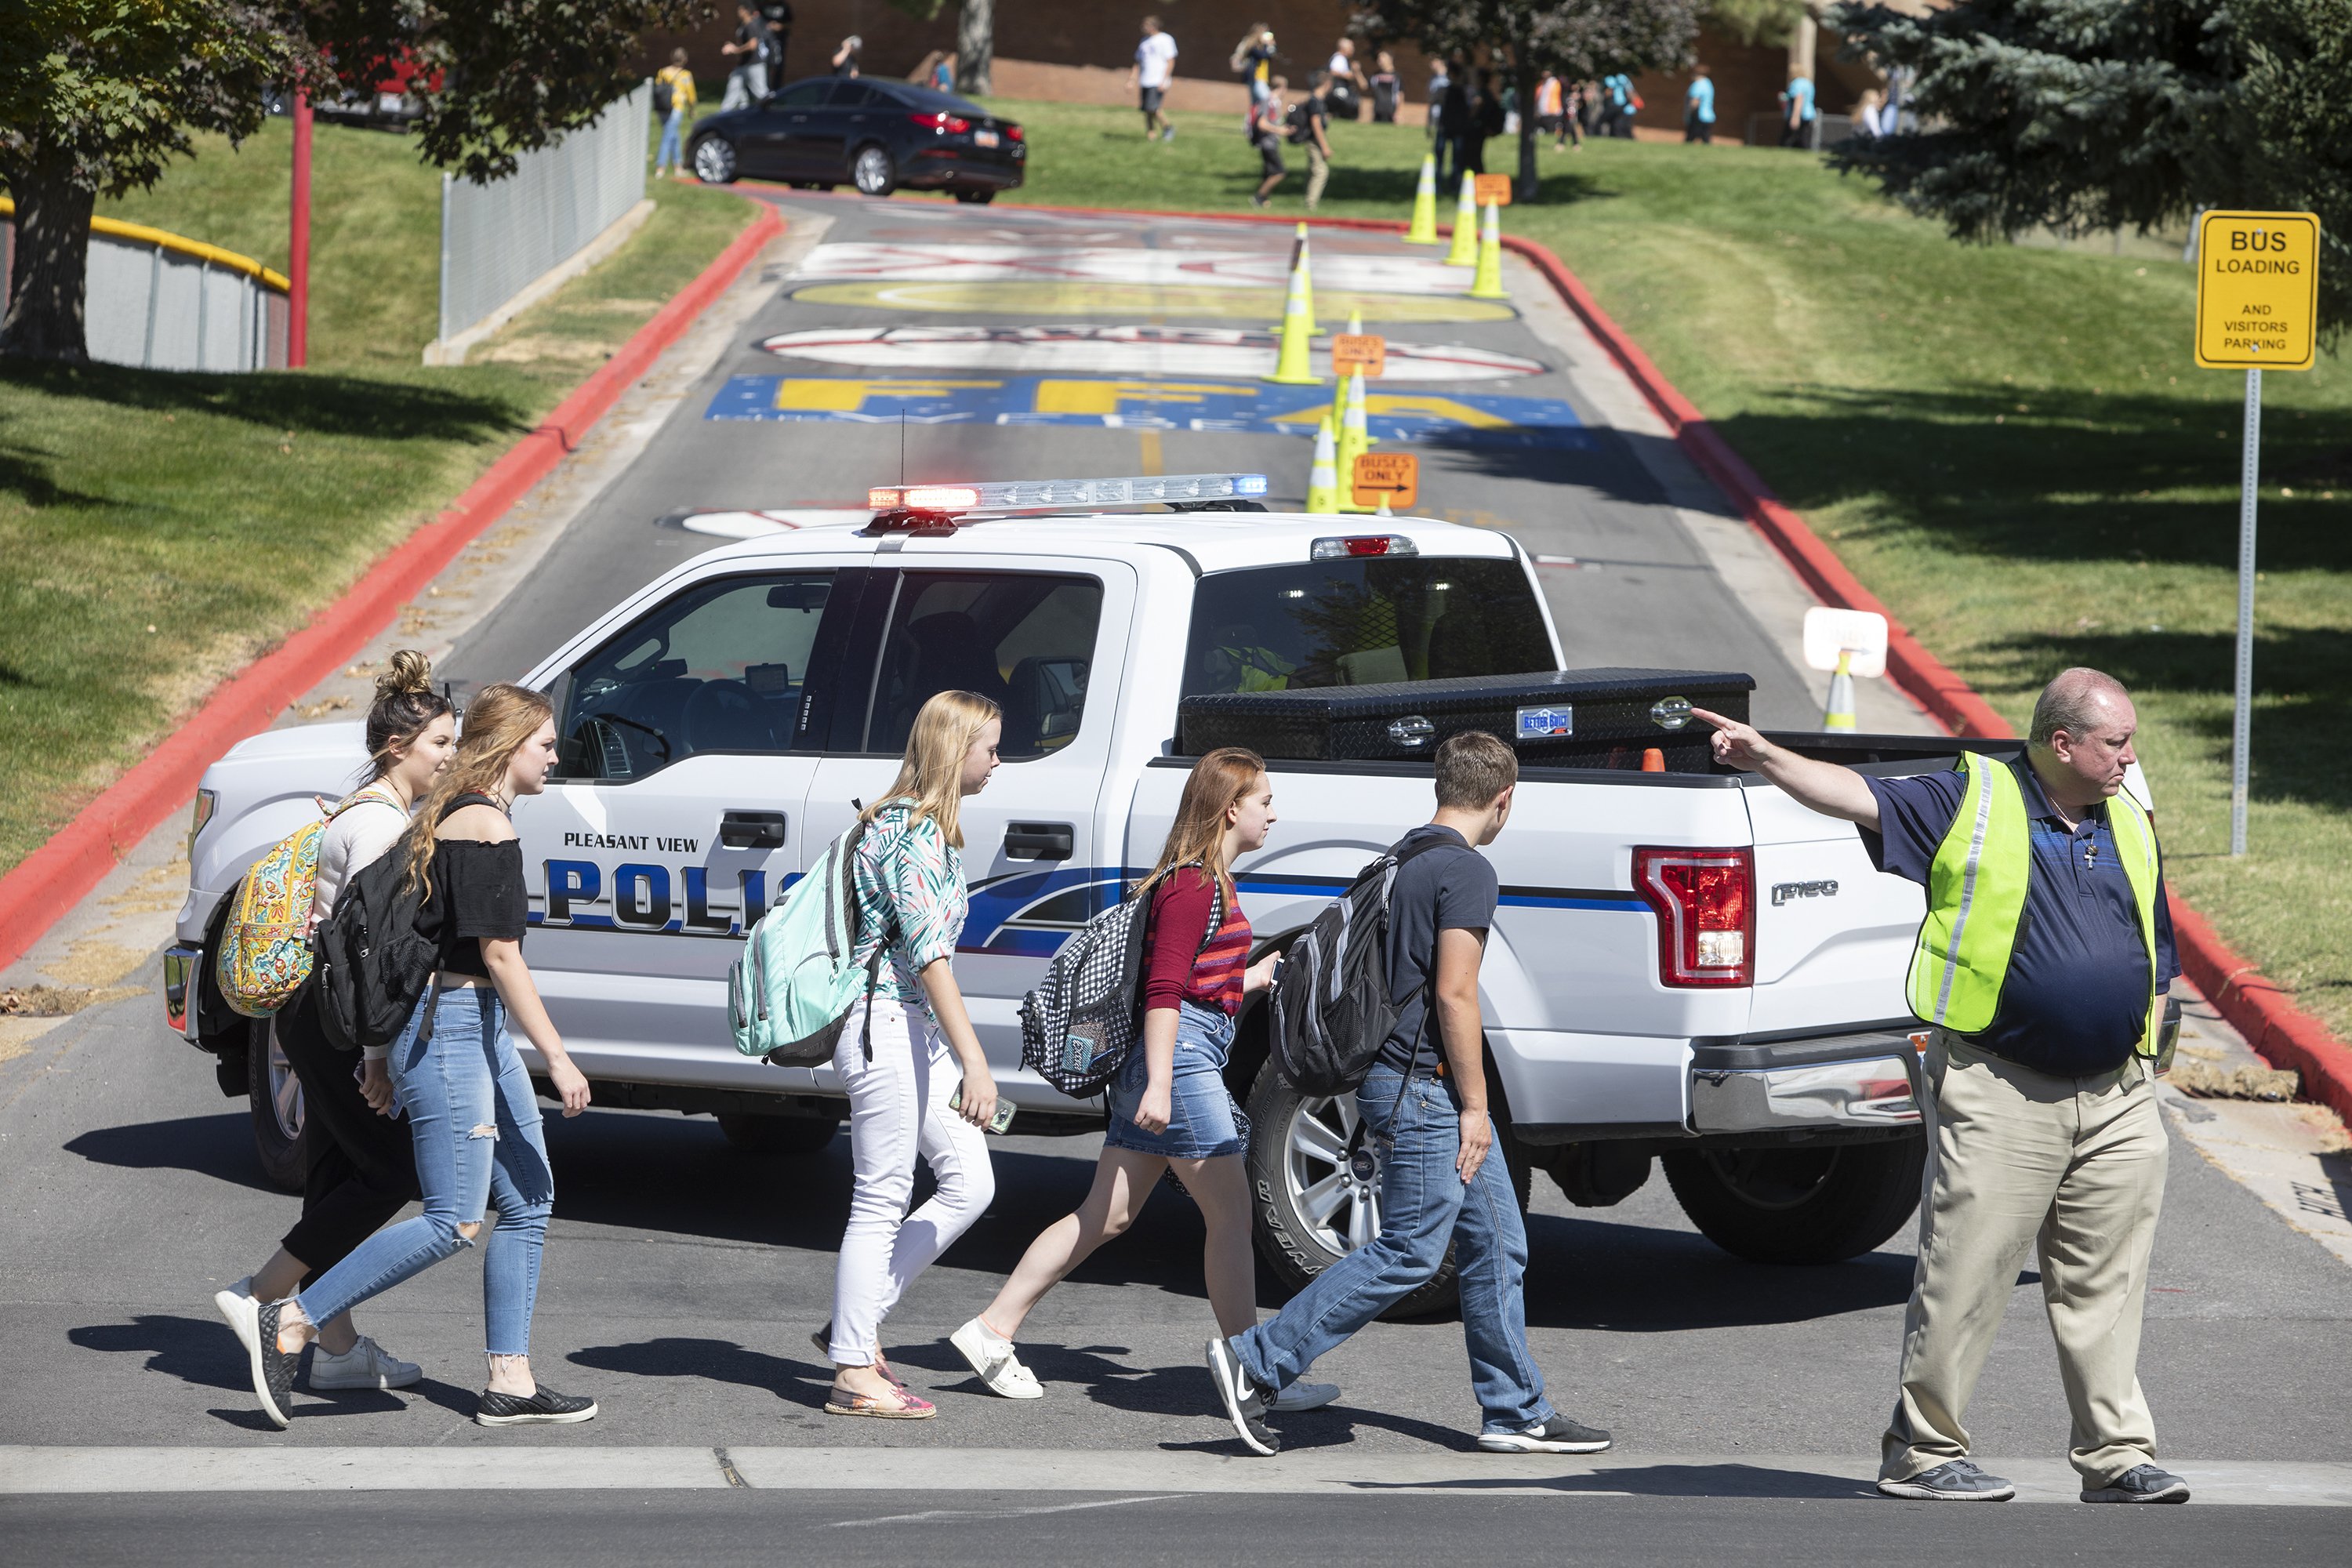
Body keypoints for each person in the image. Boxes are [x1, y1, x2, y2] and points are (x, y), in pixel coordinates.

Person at [1693, 669, 2191, 1506]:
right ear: (2062, 743)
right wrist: (1766, 753)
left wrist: (2145, 1057)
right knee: (1964, 1272)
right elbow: (1855, 795)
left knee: (2108, 1283)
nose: (2129, 756)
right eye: (2116, 741)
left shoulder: (2129, 819)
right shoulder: (1978, 796)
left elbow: (2158, 948)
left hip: (2117, 1092)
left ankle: (2117, 1455)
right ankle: (1924, 1450)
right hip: (2003, 1083)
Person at [1204, 732, 1611, 1458]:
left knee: (1497, 1243)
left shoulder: (1401, 858)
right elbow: (1456, 994)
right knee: (1410, 1253)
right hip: (1422, 1091)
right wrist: (1477, 1108)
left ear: (1439, 786)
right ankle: (1256, 1360)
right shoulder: (1468, 872)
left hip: (1393, 1082)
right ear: (1504, 800)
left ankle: (1515, 1410)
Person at [241, 684, 597, 1430]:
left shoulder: (450, 814)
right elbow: (500, 954)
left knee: (529, 1198)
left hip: (473, 1026)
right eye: (545, 744)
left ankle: (512, 1382)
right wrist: (559, 1059)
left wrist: (380, 1055)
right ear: (509, 749)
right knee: (453, 1219)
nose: (556, 756)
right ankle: (293, 1317)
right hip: (451, 1029)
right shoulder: (485, 829)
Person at [950, 750, 1330, 1412]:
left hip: (1169, 1059)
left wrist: (1253, 979)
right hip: (1175, 1065)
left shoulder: (1201, 882)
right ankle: (1254, 1377)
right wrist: (1160, 1083)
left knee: (1109, 1214)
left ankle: (991, 1331)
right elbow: (1162, 994)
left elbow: (1191, 986)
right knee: (1232, 1214)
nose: (1273, 812)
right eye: (1264, 800)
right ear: (1230, 807)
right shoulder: (1195, 886)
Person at [212, 653, 452, 1399]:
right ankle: (262, 1293)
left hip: (309, 1016)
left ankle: (339, 1346)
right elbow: (371, 954)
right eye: (440, 743)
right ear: (396, 749)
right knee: (394, 1171)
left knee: (336, 1176)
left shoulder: (361, 812)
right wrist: (378, 1057)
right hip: (339, 1024)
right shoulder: (383, 828)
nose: (449, 756)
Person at [819, 690, 1004, 1420]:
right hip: (883, 1026)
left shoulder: (920, 829)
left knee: (970, 1181)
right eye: (991, 747)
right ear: (955, 750)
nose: (999, 761)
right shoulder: (911, 833)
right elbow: (930, 960)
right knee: (882, 1195)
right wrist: (978, 1065)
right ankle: (854, 1369)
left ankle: (853, 1327)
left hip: (908, 1030)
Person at [1294, 71, 1336, 211]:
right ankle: (1311, 204)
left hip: (1313, 140)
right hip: (1314, 141)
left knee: (1313, 170)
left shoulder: (1315, 100)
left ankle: (1308, 201)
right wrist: (1324, 147)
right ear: (1327, 84)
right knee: (1321, 171)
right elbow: (1316, 124)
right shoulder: (1315, 100)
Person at [1131, 16, 1178, 142]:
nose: (1143, 28)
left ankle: (1168, 127)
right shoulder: (1144, 41)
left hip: (1158, 80)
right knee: (1147, 109)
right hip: (1145, 80)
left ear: (1154, 26)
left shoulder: (1166, 39)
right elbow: (1138, 61)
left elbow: (1170, 61)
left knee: (1153, 108)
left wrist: (1164, 80)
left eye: (1145, 25)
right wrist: (1132, 80)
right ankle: (1151, 135)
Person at [652, 48, 698, 179]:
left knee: (674, 136)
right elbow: (691, 94)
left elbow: (658, 90)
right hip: (676, 107)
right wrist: (692, 109)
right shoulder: (685, 75)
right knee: (668, 137)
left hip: (661, 108)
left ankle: (678, 166)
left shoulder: (662, 72)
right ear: (685, 59)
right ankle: (660, 167)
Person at [720, 3, 772, 110]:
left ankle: (773, 112)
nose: (738, 12)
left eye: (740, 10)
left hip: (754, 65)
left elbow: (753, 44)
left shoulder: (751, 25)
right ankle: (723, 114)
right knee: (733, 89)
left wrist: (736, 50)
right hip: (742, 65)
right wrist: (734, 47)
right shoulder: (743, 26)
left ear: (746, 11)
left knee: (761, 93)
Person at [1247, 77, 1290, 208]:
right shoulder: (1269, 101)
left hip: (1271, 142)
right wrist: (1279, 130)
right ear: (1282, 88)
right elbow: (1262, 124)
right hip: (1268, 143)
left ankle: (1264, 200)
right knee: (1279, 172)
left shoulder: (1274, 102)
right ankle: (1258, 197)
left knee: (1268, 173)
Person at [1231, 24, 1276, 105]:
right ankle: (1265, 117)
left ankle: (1252, 117)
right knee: (1267, 99)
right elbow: (1263, 56)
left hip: (1262, 77)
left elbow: (1269, 58)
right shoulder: (1253, 46)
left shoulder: (1262, 47)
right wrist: (1267, 45)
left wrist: (1271, 47)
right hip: (1256, 77)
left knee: (1256, 103)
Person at [1325, 38, 1367, 122]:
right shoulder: (1339, 58)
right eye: (1351, 47)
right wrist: (1350, 74)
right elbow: (1334, 71)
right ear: (1343, 48)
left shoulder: (1342, 59)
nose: (1353, 49)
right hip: (1338, 91)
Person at [1780, 68, 1817, 148]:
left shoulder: (1796, 83)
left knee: (1788, 140)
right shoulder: (1808, 83)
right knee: (1803, 138)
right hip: (1809, 114)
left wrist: (1795, 117)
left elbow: (1799, 99)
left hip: (1800, 115)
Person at [1684, 63, 1715, 144]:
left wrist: (1689, 113)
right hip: (1707, 115)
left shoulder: (1698, 84)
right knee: (1705, 136)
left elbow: (1695, 100)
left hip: (1698, 114)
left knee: (1691, 136)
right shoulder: (1708, 83)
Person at [1534, 71, 1564, 149]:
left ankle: (1557, 144)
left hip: (1552, 112)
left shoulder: (1555, 83)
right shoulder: (1540, 83)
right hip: (1541, 111)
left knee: (1552, 131)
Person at [1368, 51, 1400, 124]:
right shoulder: (1376, 75)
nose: (1380, 60)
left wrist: (1398, 113)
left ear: (1390, 60)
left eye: (1382, 58)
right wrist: (1357, 72)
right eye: (1379, 58)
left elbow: (1400, 95)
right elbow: (1365, 86)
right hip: (1378, 109)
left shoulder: (1396, 76)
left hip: (1390, 109)